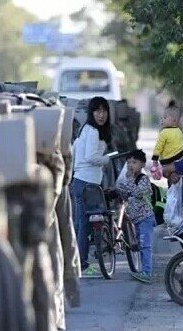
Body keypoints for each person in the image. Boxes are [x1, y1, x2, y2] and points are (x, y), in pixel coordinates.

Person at [71, 96, 112, 275]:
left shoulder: (84, 129)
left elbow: (75, 153)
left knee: (81, 224)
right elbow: (90, 157)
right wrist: (106, 159)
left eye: (104, 111)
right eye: (97, 111)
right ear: (91, 112)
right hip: (89, 183)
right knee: (87, 225)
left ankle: (78, 262)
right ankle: (83, 263)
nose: (101, 115)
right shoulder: (93, 131)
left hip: (79, 180)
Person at [116, 149, 156, 283]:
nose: (130, 165)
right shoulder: (129, 179)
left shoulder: (143, 179)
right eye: (128, 163)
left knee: (145, 245)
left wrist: (131, 180)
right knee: (139, 244)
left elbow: (138, 192)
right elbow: (126, 193)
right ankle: (144, 269)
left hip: (145, 218)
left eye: (134, 162)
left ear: (143, 164)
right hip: (136, 220)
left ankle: (147, 273)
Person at [151, 100, 183, 180]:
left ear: (174, 120)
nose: (162, 120)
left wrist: (155, 160)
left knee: (170, 179)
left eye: (165, 118)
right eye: (162, 118)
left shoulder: (164, 132)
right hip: (180, 158)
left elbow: (158, 147)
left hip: (167, 161)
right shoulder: (179, 130)